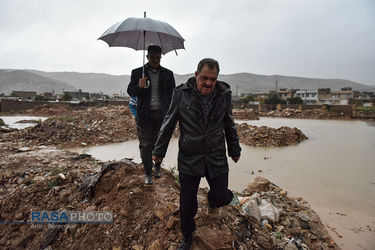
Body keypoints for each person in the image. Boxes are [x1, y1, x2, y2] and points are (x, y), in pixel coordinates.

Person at [152, 58, 241, 250]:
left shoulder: (223, 95)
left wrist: (234, 149)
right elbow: (168, 124)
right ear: (196, 75)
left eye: (213, 79)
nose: (208, 83)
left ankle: (213, 202)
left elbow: (229, 123)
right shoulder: (181, 94)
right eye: (204, 78)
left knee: (221, 195)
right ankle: (187, 236)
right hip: (189, 156)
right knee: (187, 203)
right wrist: (159, 150)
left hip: (216, 155)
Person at [127, 45, 176, 186]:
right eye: (152, 57)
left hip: (162, 115)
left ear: (160, 57)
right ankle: (148, 173)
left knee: (159, 144)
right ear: (147, 57)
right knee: (147, 145)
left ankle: (158, 167)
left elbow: (173, 94)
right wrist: (139, 86)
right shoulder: (137, 73)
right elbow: (131, 91)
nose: (155, 60)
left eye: (157, 57)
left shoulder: (168, 74)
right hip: (145, 116)